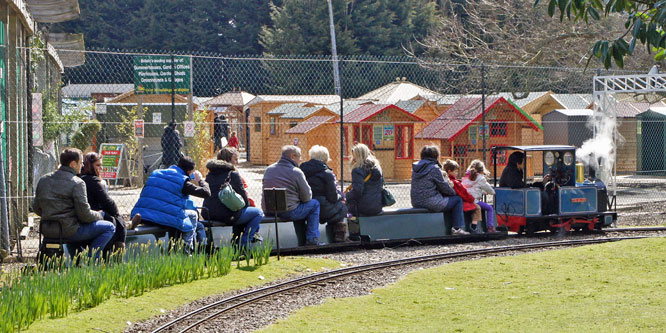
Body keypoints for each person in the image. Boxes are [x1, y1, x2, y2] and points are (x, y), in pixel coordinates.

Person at [33, 148, 116, 259]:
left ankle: (76, 261)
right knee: (109, 227)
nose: (82, 166)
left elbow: (36, 207)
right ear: (73, 164)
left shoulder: (44, 180)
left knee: (76, 231)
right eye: (81, 163)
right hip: (69, 231)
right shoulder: (77, 183)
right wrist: (100, 215)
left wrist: (51, 215)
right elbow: (85, 215)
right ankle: (90, 262)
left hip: (47, 230)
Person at [131, 156, 211, 250]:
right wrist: (200, 180)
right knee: (193, 215)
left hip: (143, 214)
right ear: (189, 172)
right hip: (166, 219)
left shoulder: (155, 173)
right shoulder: (182, 181)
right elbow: (206, 193)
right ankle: (187, 249)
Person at [262, 145, 322, 246]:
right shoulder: (296, 171)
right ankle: (312, 239)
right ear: (292, 156)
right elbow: (307, 197)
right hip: (288, 211)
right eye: (299, 156)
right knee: (314, 204)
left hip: (269, 210)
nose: (301, 159)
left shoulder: (269, 169)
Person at [202, 147, 263, 246]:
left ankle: (236, 241)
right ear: (228, 160)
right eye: (235, 159)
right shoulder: (232, 174)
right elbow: (244, 200)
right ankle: (244, 243)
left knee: (240, 212)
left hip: (208, 213)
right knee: (257, 213)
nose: (237, 162)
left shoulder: (210, 175)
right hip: (226, 215)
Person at [410, 146, 468, 235]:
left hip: (416, 201)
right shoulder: (434, 168)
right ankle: (457, 228)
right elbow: (444, 187)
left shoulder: (415, 168)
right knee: (457, 200)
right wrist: (454, 193)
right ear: (435, 156)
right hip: (431, 202)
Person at [300, 145, 349, 242]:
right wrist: (341, 197)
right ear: (325, 158)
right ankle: (339, 235)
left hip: (306, 203)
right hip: (323, 206)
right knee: (342, 208)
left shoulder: (302, 170)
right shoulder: (327, 173)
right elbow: (333, 197)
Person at [79, 152, 127, 251]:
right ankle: (116, 253)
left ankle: (127, 224)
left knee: (116, 219)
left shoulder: (80, 178)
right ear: (89, 166)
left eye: (101, 165)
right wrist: (117, 214)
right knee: (115, 220)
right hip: (91, 215)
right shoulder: (92, 180)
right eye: (98, 165)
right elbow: (108, 202)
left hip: (84, 215)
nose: (101, 168)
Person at [443, 159, 484, 233]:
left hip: (448, 200)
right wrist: (472, 199)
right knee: (477, 207)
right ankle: (474, 227)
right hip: (461, 202)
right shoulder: (455, 182)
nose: (457, 173)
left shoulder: (444, 180)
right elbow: (464, 193)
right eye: (455, 171)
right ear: (449, 171)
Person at [345, 143, 383, 217]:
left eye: (354, 156)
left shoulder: (357, 170)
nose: (353, 158)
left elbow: (357, 191)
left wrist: (346, 196)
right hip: (377, 206)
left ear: (358, 156)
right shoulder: (377, 167)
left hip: (362, 208)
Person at [463, 160, 497, 233]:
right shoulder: (481, 178)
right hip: (474, 200)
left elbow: (472, 188)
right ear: (482, 170)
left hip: (466, 199)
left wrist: (481, 192)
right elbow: (490, 190)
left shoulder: (467, 176)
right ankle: (490, 227)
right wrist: (493, 192)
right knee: (489, 208)